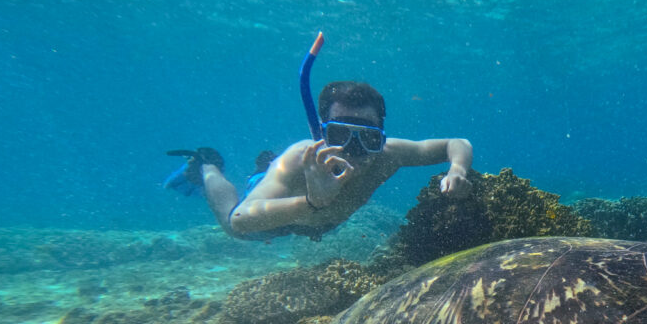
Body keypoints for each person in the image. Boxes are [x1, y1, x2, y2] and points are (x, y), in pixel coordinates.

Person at [170, 81, 472, 241]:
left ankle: (259, 166)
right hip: (279, 220)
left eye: (366, 137)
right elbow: (241, 220)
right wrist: (311, 202)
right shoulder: (299, 158)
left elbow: (457, 143)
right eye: (340, 135)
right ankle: (207, 165)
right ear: (320, 134)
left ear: (381, 135)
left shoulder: (389, 155)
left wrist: (457, 169)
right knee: (229, 226)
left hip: (318, 224)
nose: (353, 149)